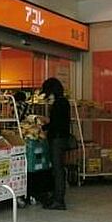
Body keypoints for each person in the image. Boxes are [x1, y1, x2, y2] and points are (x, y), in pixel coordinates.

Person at [40, 78, 70, 210]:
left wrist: (43, 127)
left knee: (57, 170)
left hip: (57, 140)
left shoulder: (58, 103)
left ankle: (58, 200)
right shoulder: (64, 102)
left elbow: (55, 123)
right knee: (59, 169)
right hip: (63, 138)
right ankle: (57, 197)